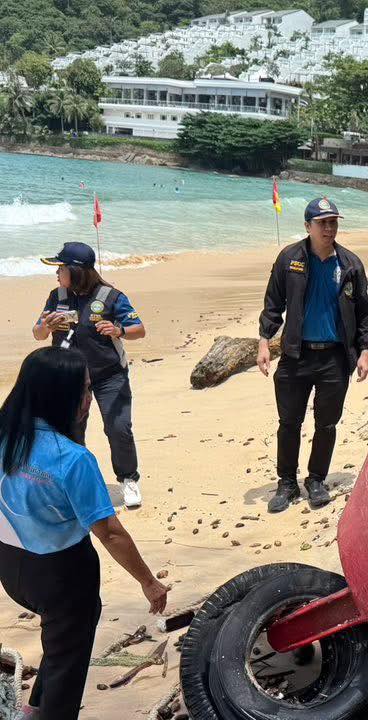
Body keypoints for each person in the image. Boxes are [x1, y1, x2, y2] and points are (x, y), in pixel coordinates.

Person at [0, 347, 169, 720]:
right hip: (61, 575)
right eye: (86, 389)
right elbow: (110, 533)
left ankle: (34, 707)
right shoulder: (72, 459)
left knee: (64, 639)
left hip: (11, 565)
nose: (90, 398)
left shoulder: (6, 435)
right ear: (63, 395)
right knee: (67, 664)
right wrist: (149, 582)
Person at [257, 197, 368, 513]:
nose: (328, 228)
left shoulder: (350, 265)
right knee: (289, 422)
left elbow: (364, 312)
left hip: (334, 358)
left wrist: (364, 350)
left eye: (333, 222)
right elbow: (273, 304)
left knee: (327, 423)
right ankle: (286, 483)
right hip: (296, 355)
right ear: (307, 226)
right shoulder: (289, 259)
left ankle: (316, 479)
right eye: (322, 223)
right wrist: (264, 342)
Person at [33, 242, 146, 509]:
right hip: (69, 377)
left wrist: (118, 330)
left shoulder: (111, 296)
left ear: (76, 271)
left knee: (118, 428)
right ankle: (75, 483)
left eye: (61, 268)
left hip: (109, 374)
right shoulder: (57, 296)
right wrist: (46, 327)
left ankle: (128, 479)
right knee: (71, 430)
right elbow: (37, 334)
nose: (56, 273)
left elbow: (139, 329)